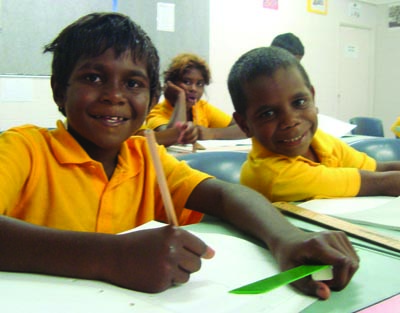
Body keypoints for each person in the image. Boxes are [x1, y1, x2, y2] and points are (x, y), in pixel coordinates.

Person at [0, 13, 358, 299]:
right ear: (59, 90)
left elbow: (225, 194)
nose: (114, 95)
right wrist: (111, 256)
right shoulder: (25, 150)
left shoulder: (145, 157)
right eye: (93, 78)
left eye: (134, 83)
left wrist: (286, 239)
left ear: (152, 96)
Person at [228, 46, 400, 203]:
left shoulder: (320, 140)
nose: (290, 121)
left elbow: (378, 169)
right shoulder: (272, 175)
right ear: (244, 124)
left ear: (312, 96)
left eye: (299, 102)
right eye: (268, 114)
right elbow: (383, 182)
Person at [145, 53, 246, 147]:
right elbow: (175, 139)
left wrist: (212, 133)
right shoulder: (157, 112)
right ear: (171, 84)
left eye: (199, 84)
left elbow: (244, 128)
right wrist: (180, 98)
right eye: (187, 82)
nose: (194, 89)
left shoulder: (202, 107)